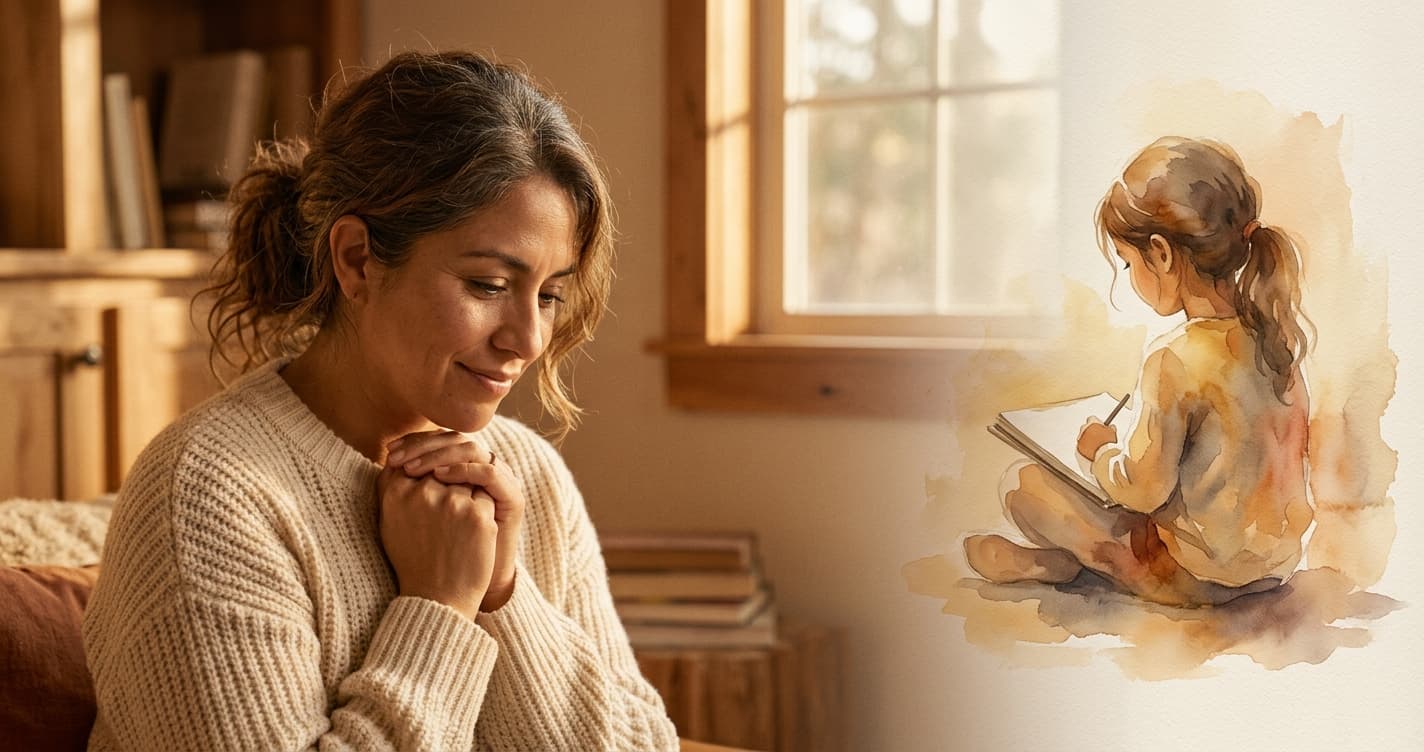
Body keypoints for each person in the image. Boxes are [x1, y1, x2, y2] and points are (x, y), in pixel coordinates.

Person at [82, 50, 679, 750]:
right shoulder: (207, 495)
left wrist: (503, 594)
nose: (527, 339)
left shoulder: (527, 477)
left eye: (550, 295)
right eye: (488, 285)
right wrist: (439, 608)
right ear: (357, 259)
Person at [964, 137, 1315, 607]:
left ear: (1162, 253)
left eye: (1129, 263)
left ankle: (1058, 566)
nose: (1129, 277)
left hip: (1198, 577)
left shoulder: (1174, 357)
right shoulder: (1275, 340)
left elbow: (1142, 490)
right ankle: (1062, 565)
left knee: (1023, 486)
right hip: (1275, 569)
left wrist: (1102, 452)